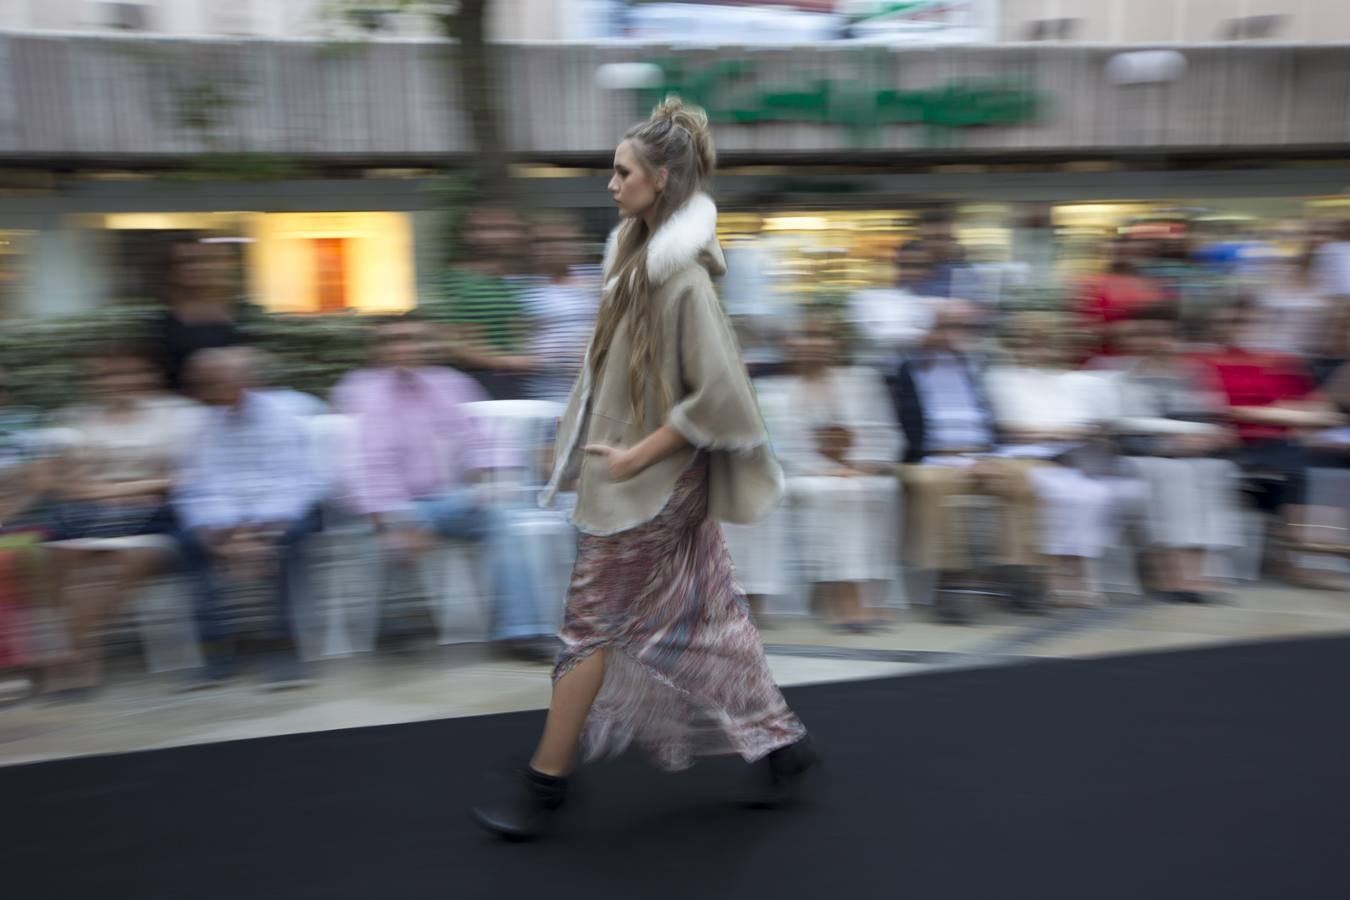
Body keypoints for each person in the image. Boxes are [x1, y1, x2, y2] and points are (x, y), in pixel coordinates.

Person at [473, 98, 815, 840]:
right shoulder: (633, 264)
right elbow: (610, 380)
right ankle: (781, 748)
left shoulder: (680, 280)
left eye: (622, 171)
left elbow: (722, 396)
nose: (611, 183)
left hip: (653, 486)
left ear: (660, 180)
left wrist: (635, 454)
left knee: (588, 625)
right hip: (640, 480)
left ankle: (545, 787)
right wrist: (575, 441)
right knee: (706, 615)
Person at [331, 315, 557, 661]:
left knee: (501, 519)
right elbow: (363, 466)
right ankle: (394, 625)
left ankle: (520, 633)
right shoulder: (361, 389)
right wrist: (398, 520)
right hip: (387, 507)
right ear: (377, 349)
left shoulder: (449, 383)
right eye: (393, 340)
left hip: (443, 502)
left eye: (413, 339)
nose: (405, 348)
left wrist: (489, 479)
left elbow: (481, 438)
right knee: (393, 529)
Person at [44, 344, 204, 692]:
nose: (119, 381)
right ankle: (83, 648)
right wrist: (140, 487)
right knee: (63, 556)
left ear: (150, 374)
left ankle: (77, 651)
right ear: (94, 380)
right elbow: (72, 487)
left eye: (130, 372)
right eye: (108, 374)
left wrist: (110, 489)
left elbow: (186, 478)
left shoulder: (179, 415)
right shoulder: (76, 419)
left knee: (128, 557)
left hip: (155, 517)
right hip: (93, 515)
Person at [174, 348, 322, 687]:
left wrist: (256, 532)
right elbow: (199, 485)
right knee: (189, 543)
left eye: (214, 382)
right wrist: (226, 532)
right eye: (203, 384)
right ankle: (216, 650)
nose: (206, 391)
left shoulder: (284, 414)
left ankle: (285, 648)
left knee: (291, 541)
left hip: (280, 512)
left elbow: (295, 482)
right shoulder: (203, 423)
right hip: (229, 519)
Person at [892, 301, 1046, 622]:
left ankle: (1018, 569)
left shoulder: (978, 367)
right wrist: (950, 460)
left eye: (964, 327)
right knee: (933, 486)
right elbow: (903, 432)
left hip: (981, 455)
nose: (955, 335)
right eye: (945, 327)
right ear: (927, 330)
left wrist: (987, 457)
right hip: (930, 459)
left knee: (1029, 478)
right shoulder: (904, 369)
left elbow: (993, 422)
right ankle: (952, 579)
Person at [1094, 307, 1241, 603]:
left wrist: (1210, 439)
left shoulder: (1194, 374)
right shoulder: (1111, 373)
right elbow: (1114, 429)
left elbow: (1209, 419)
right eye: (1144, 334)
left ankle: (1199, 567)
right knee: (1172, 473)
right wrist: (1170, 446)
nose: (1153, 342)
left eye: (1162, 335)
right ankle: (1170, 570)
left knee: (1213, 471)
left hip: (1189, 453)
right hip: (1131, 455)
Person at [767, 313, 901, 632]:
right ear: (789, 343)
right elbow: (775, 445)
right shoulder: (775, 390)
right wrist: (824, 469)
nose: (815, 344)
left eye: (823, 335)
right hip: (800, 474)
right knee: (838, 492)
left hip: (858, 471)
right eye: (806, 335)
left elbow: (888, 434)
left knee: (876, 488)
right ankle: (842, 596)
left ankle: (869, 590)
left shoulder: (861, 382)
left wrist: (863, 465)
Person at [424, 207, 534, 400]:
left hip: (529, 379)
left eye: (507, 228)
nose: (497, 236)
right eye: (486, 228)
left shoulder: (525, 278)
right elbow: (451, 340)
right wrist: (506, 362)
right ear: (469, 235)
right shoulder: (456, 280)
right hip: (479, 380)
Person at [146, 238, 249, 394]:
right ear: (170, 271)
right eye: (186, 261)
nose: (197, 267)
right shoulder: (157, 325)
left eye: (206, 260)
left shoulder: (248, 315)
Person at [518, 217, 602, 404]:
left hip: (594, 394)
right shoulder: (522, 290)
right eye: (545, 241)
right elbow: (519, 343)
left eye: (564, 240)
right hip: (545, 395)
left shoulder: (597, 283)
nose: (555, 247)